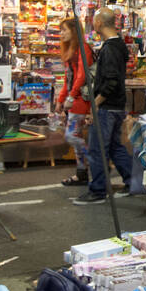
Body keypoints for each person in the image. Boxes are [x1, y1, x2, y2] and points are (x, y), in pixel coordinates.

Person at [73, 8, 140, 204]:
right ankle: (132, 182)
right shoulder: (117, 45)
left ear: (100, 23)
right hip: (116, 105)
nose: (92, 24)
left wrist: (95, 104)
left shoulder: (110, 49)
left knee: (98, 149)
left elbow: (110, 82)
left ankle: (98, 191)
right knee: (114, 148)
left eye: (94, 21)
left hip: (108, 106)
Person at [57, 17, 94, 188]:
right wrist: (61, 99)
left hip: (81, 101)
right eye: (60, 30)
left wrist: (70, 97)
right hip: (74, 100)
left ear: (74, 30)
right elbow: (68, 77)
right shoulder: (72, 51)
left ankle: (93, 163)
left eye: (64, 30)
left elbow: (82, 76)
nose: (61, 33)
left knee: (72, 136)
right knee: (74, 136)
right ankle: (82, 173)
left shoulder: (83, 49)